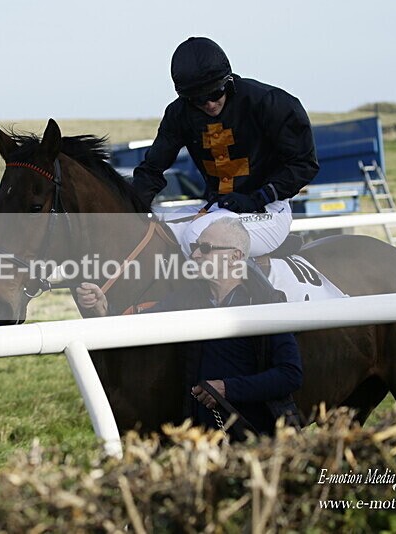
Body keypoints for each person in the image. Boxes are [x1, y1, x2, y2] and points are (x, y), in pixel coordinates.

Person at [76, 217, 303, 437]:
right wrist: (103, 310)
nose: (194, 254)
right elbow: (140, 327)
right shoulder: (186, 297)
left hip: (258, 435)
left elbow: (290, 375)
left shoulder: (266, 303)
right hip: (203, 436)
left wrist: (227, 388)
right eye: (195, 247)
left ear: (235, 257)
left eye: (205, 248)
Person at [131, 36, 319, 258]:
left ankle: (260, 293)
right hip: (218, 207)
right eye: (199, 100)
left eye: (215, 93)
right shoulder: (179, 114)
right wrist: (129, 210)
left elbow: (304, 164)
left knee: (199, 236)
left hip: (268, 210)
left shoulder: (270, 102)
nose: (210, 104)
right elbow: (152, 169)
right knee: (155, 229)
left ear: (228, 81)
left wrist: (257, 198)